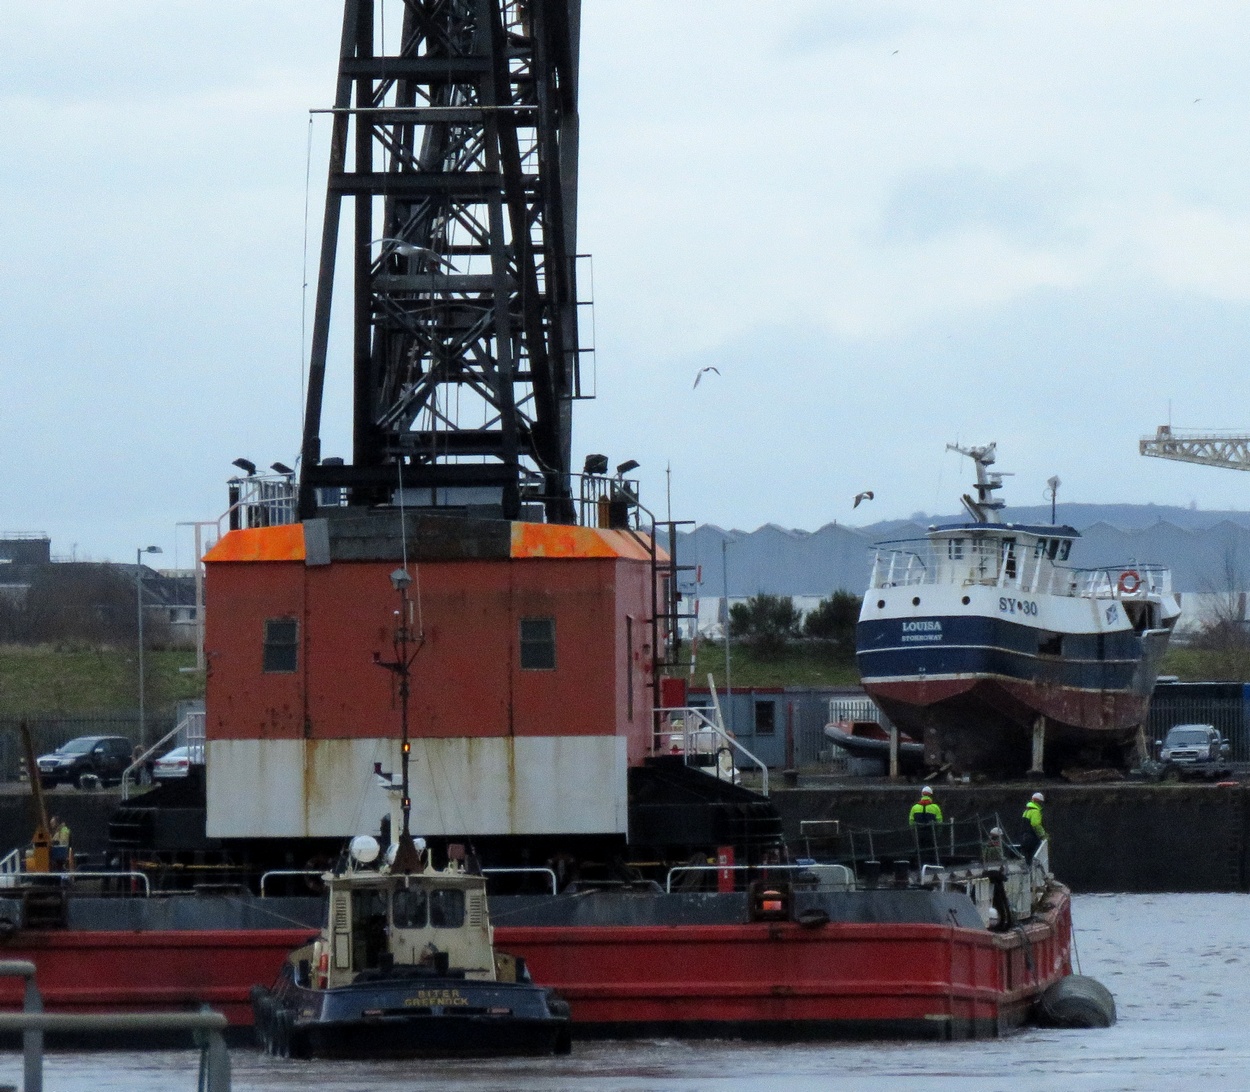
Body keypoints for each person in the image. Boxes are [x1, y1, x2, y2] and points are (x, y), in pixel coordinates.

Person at [1021, 792, 1047, 860]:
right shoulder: (1035, 811)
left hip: (1024, 837)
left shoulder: (1026, 811)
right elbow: (1035, 824)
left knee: (1027, 858)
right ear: (1039, 802)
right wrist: (1043, 835)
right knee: (1034, 857)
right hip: (1032, 838)